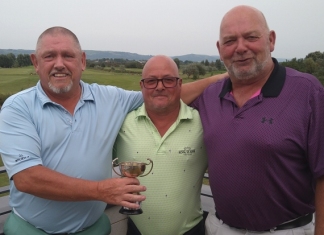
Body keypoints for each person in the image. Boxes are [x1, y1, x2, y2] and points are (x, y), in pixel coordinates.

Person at [0, 27, 227, 235]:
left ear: (82, 61)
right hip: (33, 229)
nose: (59, 63)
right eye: (49, 56)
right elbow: (27, 178)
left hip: (93, 228)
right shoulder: (18, 107)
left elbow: (162, 96)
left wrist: (224, 78)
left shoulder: (110, 99)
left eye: (68, 55)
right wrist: (101, 190)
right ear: (35, 62)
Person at [191, 5, 324, 235]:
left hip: (286, 230)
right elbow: (162, 98)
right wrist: (219, 76)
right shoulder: (210, 96)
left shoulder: (307, 91)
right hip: (220, 228)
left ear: (271, 40)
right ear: (219, 49)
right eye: (230, 41)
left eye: (251, 37)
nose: (241, 48)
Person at [113, 55, 207, 235]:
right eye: (151, 81)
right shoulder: (122, 124)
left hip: (190, 230)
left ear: (180, 84)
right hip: (136, 231)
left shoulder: (202, 122)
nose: (160, 86)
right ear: (142, 86)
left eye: (168, 80)